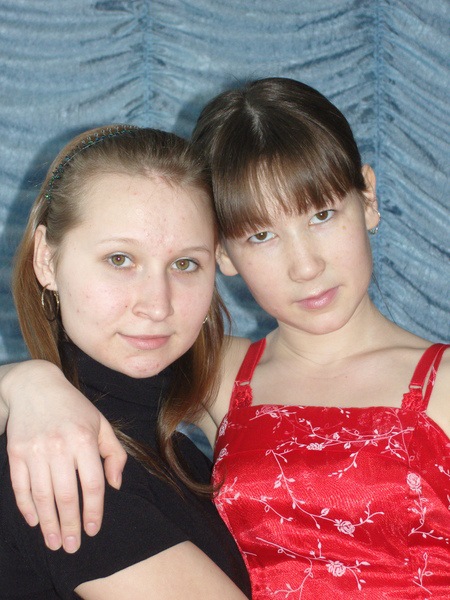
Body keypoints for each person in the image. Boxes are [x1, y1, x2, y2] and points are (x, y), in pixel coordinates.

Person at [1, 78, 449, 598]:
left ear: (368, 197)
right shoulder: (219, 375)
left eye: (322, 215)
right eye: (261, 235)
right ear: (226, 255)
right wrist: (29, 384)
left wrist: (26, 385)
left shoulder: (441, 382)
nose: (306, 266)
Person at [0, 125, 251, 599]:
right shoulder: (63, 464)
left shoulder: (182, 457)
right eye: (120, 259)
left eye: (185, 264)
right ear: (47, 261)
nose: (157, 305)